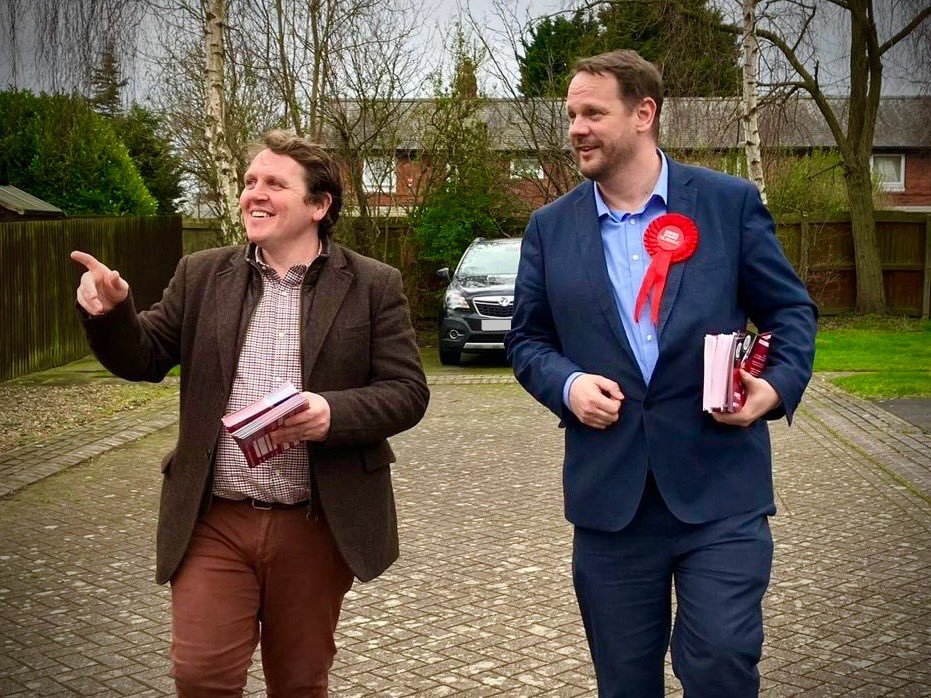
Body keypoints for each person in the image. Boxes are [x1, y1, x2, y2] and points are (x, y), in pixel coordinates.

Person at [71, 130, 429, 696]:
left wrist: (329, 413)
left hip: (315, 521)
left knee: (298, 681)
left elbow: (408, 391)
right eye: (249, 182)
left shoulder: (370, 285)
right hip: (216, 517)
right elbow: (144, 356)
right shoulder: (202, 274)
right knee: (201, 676)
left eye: (274, 184)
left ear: (318, 205)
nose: (254, 194)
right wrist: (113, 314)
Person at [505, 50, 816, 697]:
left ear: (643, 113)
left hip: (719, 494)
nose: (575, 129)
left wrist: (771, 388)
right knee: (625, 684)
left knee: (720, 662)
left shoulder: (727, 205)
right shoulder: (549, 228)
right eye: (570, 115)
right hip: (610, 506)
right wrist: (567, 384)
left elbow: (788, 312)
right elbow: (528, 341)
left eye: (592, 112)